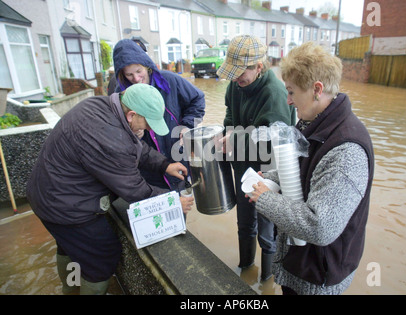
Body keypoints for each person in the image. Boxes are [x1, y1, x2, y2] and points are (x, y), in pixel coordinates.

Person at [26, 83, 194, 295]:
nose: (150, 130)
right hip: (67, 207)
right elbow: (135, 190)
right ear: (132, 114)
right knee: (102, 259)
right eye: (148, 124)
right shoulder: (110, 138)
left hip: (48, 194)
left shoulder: (101, 105)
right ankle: (77, 289)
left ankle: (69, 289)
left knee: (69, 247)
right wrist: (172, 201)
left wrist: (164, 164)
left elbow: (135, 146)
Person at [248, 42, 375, 295]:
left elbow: (320, 226)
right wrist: (272, 178)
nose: (288, 100)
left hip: (317, 277)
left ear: (317, 89)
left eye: (292, 92)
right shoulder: (313, 124)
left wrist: (266, 199)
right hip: (300, 262)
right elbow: (305, 172)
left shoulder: (347, 151)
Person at [216, 35, 296, 281]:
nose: (236, 79)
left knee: (267, 231)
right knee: (243, 224)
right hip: (242, 167)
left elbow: (275, 140)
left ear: (259, 67)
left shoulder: (274, 93)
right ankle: (245, 269)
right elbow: (230, 110)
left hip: (266, 173)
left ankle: (267, 279)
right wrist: (227, 131)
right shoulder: (236, 84)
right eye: (233, 73)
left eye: (241, 74)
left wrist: (236, 141)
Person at [112, 39, 205, 192]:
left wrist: (188, 125)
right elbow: (118, 133)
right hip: (150, 167)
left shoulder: (170, 80)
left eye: (138, 71)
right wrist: (132, 133)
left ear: (146, 66)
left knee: (181, 204)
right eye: (129, 75)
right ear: (121, 74)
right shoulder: (119, 94)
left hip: (177, 153)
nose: (135, 79)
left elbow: (198, 99)